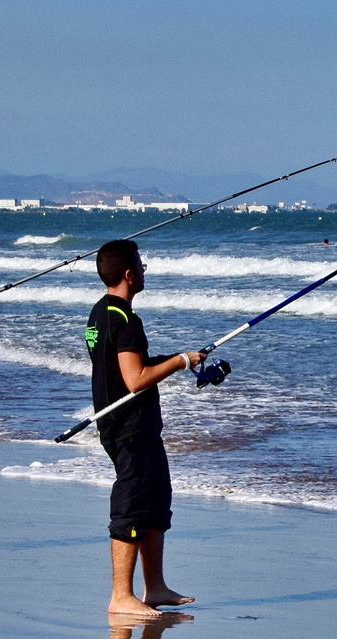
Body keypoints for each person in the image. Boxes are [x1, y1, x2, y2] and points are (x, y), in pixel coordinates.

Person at [87, 239, 202, 615]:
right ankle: (121, 596)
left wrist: (174, 358)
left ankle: (155, 588)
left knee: (155, 503)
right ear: (128, 274)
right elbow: (135, 379)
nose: (143, 270)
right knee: (132, 507)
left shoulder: (101, 313)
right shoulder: (126, 320)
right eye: (141, 264)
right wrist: (182, 361)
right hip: (128, 428)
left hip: (132, 426)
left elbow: (124, 365)